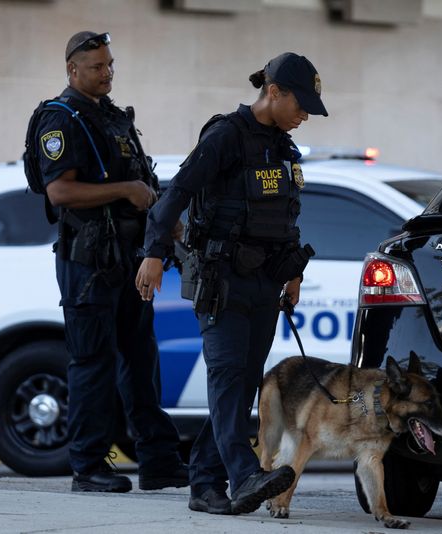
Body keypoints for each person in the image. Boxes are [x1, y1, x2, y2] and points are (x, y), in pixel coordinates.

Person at [135, 52, 327, 515]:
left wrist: (294, 272)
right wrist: (154, 254)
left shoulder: (284, 147)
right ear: (274, 92)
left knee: (242, 388)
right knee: (225, 381)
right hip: (221, 280)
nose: (304, 116)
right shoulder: (225, 136)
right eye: (301, 105)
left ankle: (204, 483)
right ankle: (243, 476)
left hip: (265, 282)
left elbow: (287, 215)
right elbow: (174, 194)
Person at [35, 30, 187, 493]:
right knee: (92, 362)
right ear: (72, 70)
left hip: (128, 256)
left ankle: (158, 461)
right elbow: (59, 191)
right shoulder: (59, 120)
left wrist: (164, 218)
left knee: (141, 359)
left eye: (110, 65)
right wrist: (125, 191)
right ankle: (88, 466)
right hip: (88, 261)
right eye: (97, 66)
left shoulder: (113, 119)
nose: (107, 73)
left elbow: (143, 181)